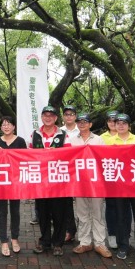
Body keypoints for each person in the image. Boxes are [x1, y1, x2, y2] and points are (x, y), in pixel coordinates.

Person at [105, 113, 135, 261]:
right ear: (114, 125)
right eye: (118, 123)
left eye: (124, 123)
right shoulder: (109, 141)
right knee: (121, 217)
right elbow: (105, 161)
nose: (121, 125)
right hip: (118, 185)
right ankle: (123, 246)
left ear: (129, 126)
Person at [30, 105, 71, 257]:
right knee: (43, 213)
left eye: (51, 115)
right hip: (40, 182)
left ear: (55, 118)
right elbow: (27, 156)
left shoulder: (63, 134)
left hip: (58, 181)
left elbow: (69, 155)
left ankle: (58, 243)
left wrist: (58, 153)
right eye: (45, 115)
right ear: (41, 117)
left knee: (59, 213)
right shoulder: (34, 134)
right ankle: (45, 241)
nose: (48, 118)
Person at [70, 113, 112, 258]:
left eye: (85, 122)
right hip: (79, 183)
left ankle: (100, 243)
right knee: (82, 214)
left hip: (96, 183)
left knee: (98, 213)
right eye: (79, 122)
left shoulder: (99, 140)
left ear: (90, 124)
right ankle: (85, 242)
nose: (82, 124)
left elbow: (105, 160)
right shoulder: (71, 140)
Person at [0, 115, 27, 257]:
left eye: (9, 124)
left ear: (14, 126)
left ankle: (14, 238)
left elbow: (25, 159)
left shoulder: (20, 141)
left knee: (15, 211)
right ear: (0, 127)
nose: (6, 126)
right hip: (1, 182)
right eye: (3, 124)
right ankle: (3, 241)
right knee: (1, 212)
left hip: (15, 182)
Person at [100, 110, 125, 249]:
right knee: (110, 206)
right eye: (109, 121)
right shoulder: (101, 138)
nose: (112, 123)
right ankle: (112, 234)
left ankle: (125, 234)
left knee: (125, 207)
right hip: (109, 176)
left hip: (126, 177)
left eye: (115, 121)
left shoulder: (129, 137)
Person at [60, 105, 78, 244]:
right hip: (64, 170)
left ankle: (86, 236)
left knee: (84, 202)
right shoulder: (59, 132)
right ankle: (69, 230)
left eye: (71, 114)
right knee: (66, 203)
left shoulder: (82, 129)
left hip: (80, 170)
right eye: (66, 114)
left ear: (75, 116)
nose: (69, 117)